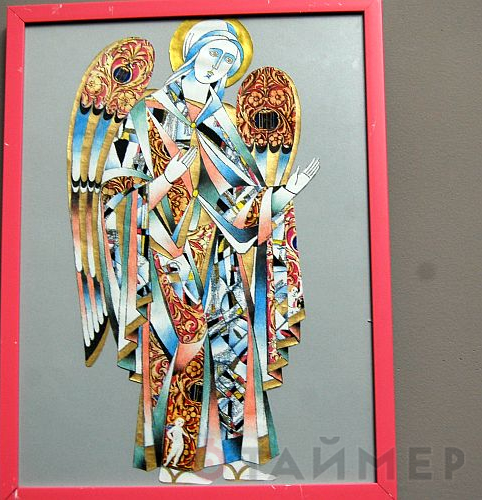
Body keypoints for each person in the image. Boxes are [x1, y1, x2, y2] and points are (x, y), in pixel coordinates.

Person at [86, 19, 319, 484]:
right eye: (214, 53)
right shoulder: (147, 114)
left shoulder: (225, 121)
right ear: (192, 53)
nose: (220, 66)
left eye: (229, 60)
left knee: (234, 349)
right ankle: (175, 465)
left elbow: (241, 197)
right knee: (183, 349)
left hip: (223, 252)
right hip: (168, 252)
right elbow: (115, 199)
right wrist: (165, 180)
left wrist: (281, 196)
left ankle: (235, 458)